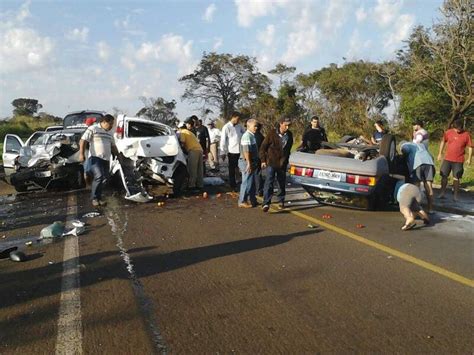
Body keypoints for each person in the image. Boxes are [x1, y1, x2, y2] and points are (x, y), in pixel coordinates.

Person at [79, 114, 117, 207]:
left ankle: (98, 197)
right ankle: (94, 198)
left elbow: (113, 146)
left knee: (105, 179)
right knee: (99, 176)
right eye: (110, 124)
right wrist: (81, 154)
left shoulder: (110, 133)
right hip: (95, 158)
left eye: (112, 124)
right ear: (104, 122)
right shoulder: (93, 128)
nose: (111, 126)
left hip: (106, 159)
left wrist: (118, 156)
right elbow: (83, 140)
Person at [260, 117, 293, 212]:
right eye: (286, 125)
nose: (287, 127)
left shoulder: (289, 135)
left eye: (289, 125)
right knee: (269, 182)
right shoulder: (272, 133)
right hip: (271, 162)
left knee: (281, 182)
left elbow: (288, 149)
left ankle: (281, 200)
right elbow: (263, 148)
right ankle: (266, 203)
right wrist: (263, 160)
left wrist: (286, 160)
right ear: (280, 124)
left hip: (282, 163)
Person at [437, 119, 472, 201]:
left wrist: (469, 158)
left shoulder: (466, 134)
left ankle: (455, 196)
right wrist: (440, 153)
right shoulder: (448, 132)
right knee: (444, 176)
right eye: (456, 129)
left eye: (459, 128)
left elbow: (470, 147)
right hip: (447, 159)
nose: (457, 130)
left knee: (456, 177)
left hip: (459, 160)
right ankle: (442, 193)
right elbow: (443, 142)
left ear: (461, 127)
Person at [401, 141, 435, 213]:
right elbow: (430, 155)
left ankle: (416, 208)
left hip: (418, 164)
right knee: (429, 186)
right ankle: (430, 209)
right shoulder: (421, 145)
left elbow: (405, 151)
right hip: (429, 162)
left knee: (416, 186)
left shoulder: (405, 145)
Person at [220, 111, 245, 191]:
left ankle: (239, 182)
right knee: (232, 168)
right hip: (232, 151)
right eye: (237, 118)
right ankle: (232, 185)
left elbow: (244, 134)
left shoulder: (239, 126)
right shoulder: (226, 127)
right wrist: (223, 152)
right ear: (233, 117)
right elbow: (223, 140)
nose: (238, 120)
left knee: (240, 167)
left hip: (240, 150)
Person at [238, 119, 259, 208]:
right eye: (254, 126)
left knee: (251, 182)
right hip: (246, 161)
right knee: (247, 182)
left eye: (256, 126)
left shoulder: (252, 135)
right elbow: (246, 151)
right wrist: (249, 163)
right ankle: (242, 200)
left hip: (251, 161)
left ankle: (252, 199)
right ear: (248, 126)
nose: (256, 128)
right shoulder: (247, 136)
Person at [179, 117, 204, 193]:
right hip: (200, 150)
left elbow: (182, 143)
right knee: (199, 169)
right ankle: (200, 185)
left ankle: (191, 186)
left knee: (192, 169)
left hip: (193, 151)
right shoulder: (190, 133)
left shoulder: (182, 132)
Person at [254, 122, 265, 197]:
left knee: (255, 174)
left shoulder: (253, 136)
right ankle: (259, 190)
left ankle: (257, 190)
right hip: (259, 157)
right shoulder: (261, 136)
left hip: (254, 157)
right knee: (258, 174)